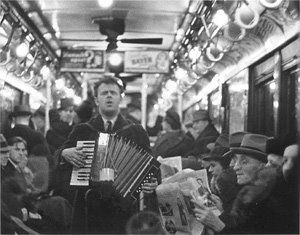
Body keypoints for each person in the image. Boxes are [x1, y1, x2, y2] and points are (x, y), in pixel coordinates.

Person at [54, 76, 159, 234]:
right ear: (96, 100)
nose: (109, 96)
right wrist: (64, 153)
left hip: (124, 208)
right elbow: (57, 156)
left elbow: (151, 167)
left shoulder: (135, 131)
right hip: (88, 205)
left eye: (113, 93)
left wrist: (152, 182)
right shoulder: (83, 130)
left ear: (120, 98)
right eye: (104, 93)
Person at [191, 133, 279, 234]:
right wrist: (222, 211)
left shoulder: (269, 203)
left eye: (244, 162)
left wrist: (218, 226)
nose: (235, 167)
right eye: (236, 160)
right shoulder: (248, 194)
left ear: (264, 166)